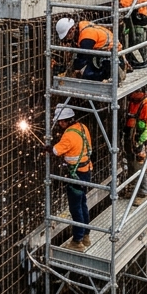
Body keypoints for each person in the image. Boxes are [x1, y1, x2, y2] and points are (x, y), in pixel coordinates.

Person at [48, 105, 92, 251]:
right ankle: (86, 235)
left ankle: (77, 241)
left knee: (75, 207)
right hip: (87, 171)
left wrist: (48, 148)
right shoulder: (82, 127)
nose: (59, 124)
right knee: (83, 203)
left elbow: (56, 150)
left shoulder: (68, 135)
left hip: (77, 175)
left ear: (66, 120)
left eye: (61, 122)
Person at [55, 16, 119, 81]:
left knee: (87, 74)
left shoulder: (87, 37)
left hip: (112, 57)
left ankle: (112, 75)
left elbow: (83, 59)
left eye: (66, 36)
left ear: (72, 29)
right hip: (104, 53)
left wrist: (68, 68)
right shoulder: (81, 26)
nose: (66, 39)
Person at [124, 89, 147, 197]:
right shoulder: (134, 101)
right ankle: (133, 186)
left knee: (139, 164)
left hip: (140, 138)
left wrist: (139, 142)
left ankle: (143, 190)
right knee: (131, 163)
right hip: (131, 136)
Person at [120, 0, 147, 68]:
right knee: (138, 38)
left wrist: (120, 4)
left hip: (138, 14)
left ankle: (139, 61)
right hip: (140, 12)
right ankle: (139, 59)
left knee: (137, 39)